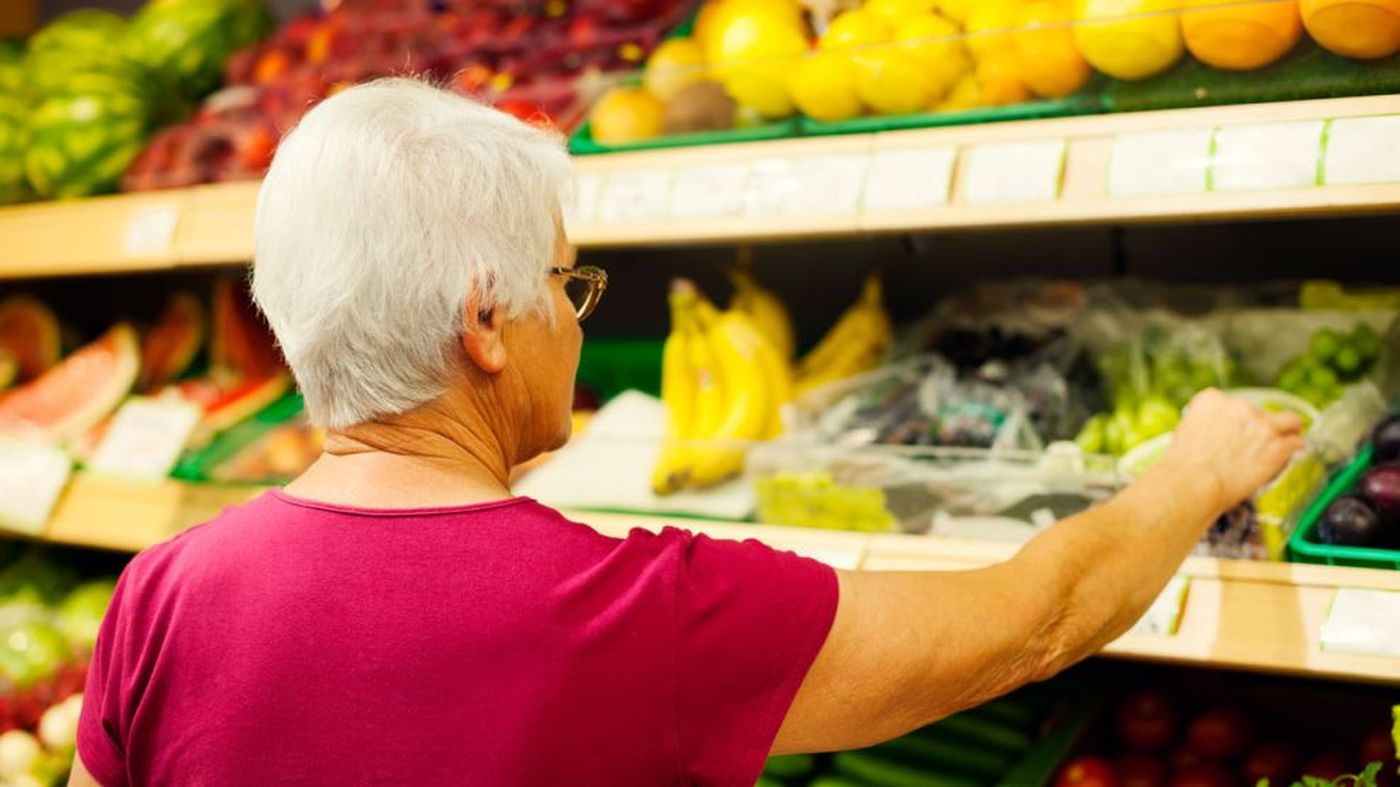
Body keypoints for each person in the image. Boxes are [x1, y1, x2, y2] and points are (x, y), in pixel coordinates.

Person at [71, 79, 1303, 787]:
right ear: (487, 321)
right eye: (567, 283)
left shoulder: (161, 596)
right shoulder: (636, 611)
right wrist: (1191, 474)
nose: (575, 313)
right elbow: (1026, 622)